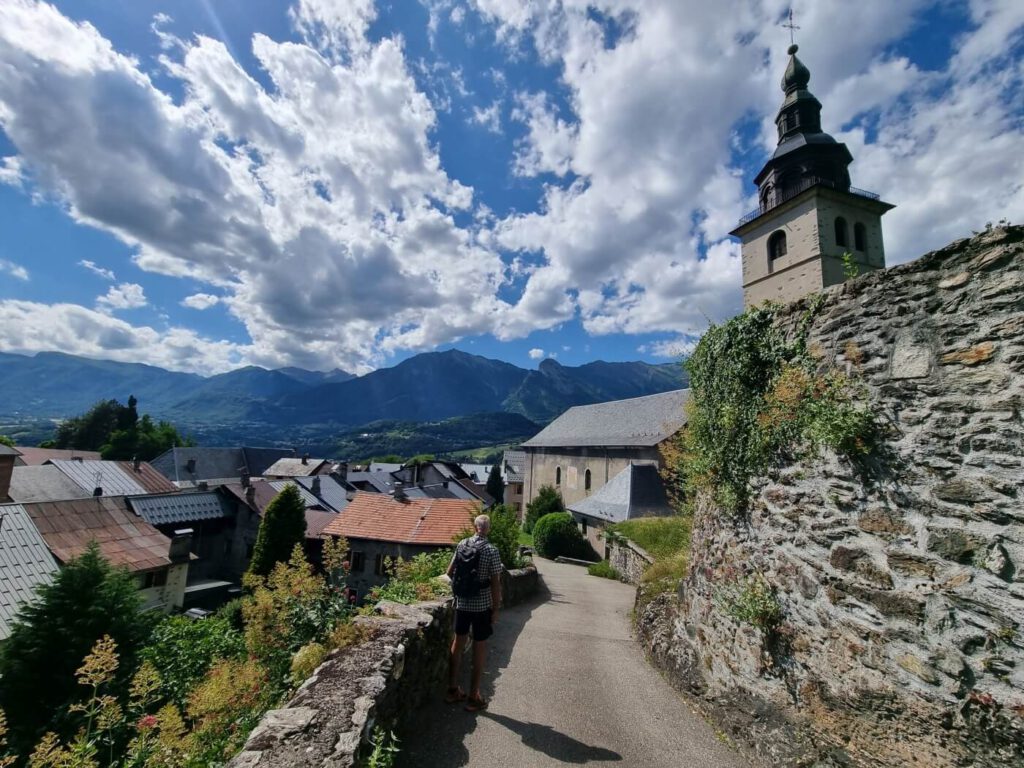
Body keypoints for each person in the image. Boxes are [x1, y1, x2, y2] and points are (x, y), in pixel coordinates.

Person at [446, 513, 503, 712]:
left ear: (474, 526)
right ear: (489, 529)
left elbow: (449, 572)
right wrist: (496, 609)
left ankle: (452, 690)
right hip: (481, 607)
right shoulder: (491, 551)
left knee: (457, 643)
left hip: (461, 603)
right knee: (480, 648)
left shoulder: (462, 544)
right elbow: (496, 583)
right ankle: (473, 696)